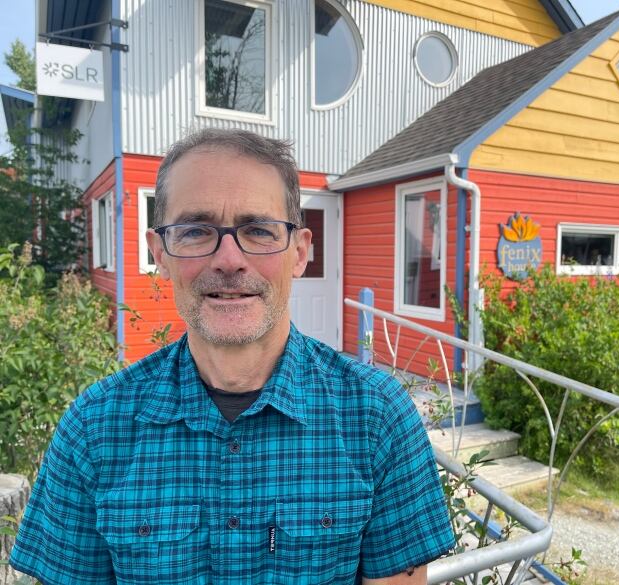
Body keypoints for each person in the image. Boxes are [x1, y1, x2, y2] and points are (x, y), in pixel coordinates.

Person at [10, 128, 455, 584]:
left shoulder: (376, 416)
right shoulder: (95, 428)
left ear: (300, 253)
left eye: (258, 230)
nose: (228, 259)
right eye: (196, 230)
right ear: (160, 253)